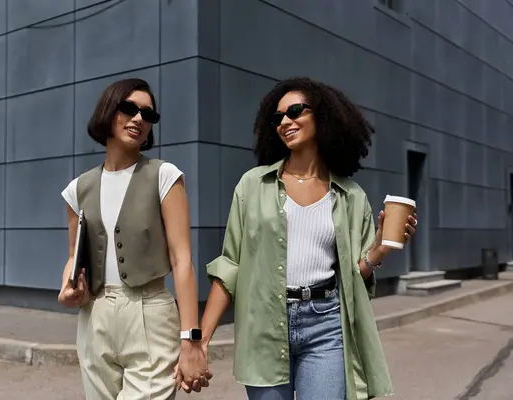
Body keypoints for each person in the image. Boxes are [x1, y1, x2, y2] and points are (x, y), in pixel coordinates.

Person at [200, 77, 418, 400]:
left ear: (323, 116)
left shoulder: (351, 196)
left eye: (295, 111)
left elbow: (352, 276)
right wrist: (201, 341)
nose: (285, 122)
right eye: (277, 118)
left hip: (326, 324)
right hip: (263, 326)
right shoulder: (251, 187)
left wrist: (379, 250)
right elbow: (230, 265)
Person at [58, 78, 211, 399]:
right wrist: (68, 288)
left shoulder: (164, 176)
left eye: (148, 115)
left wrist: (191, 341)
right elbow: (74, 256)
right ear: (107, 111)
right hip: (94, 316)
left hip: (151, 312)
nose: (139, 119)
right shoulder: (78, 189)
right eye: (129, 109)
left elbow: (182, 261)